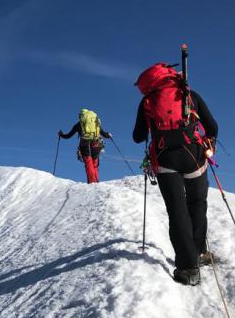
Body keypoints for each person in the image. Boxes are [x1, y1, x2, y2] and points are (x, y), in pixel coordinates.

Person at [133, 63, 218, 286]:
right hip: (194, 156)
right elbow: (212, 126)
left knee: (177, 210)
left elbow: (137, 136)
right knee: (197, 203)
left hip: (165, 161)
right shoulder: (189, 95)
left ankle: (188, 268)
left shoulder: (147, 102)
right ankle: (199, 251)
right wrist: (210, 144)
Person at [58, 109, 112, 184]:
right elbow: (102, 133)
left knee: (88, 162)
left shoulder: (78, 124)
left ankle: (92, 182)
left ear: (81, 116)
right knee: (95, 163)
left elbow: (68, 136)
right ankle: (96, 181)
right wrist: (108, 135)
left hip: (84, 142)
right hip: (96, 141)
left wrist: (61, 135)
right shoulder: (95, 122)